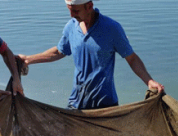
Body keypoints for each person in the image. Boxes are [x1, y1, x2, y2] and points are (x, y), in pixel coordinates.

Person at [18, 0, 164, 110]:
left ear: (89, 6)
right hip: (76, 105)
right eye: (69, 10)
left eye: (75, 11)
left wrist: (149, 81)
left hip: (106, 106)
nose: (71, 15)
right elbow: (59, 51)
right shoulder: (71, 26)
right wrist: (28, 59)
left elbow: (131, 59)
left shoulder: (112, 28)